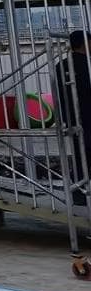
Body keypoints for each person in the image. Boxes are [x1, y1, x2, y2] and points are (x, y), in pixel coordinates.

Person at [55, 30, 91, 203]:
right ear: (85, 43)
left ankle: (78, 191)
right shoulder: (88, 64)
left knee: (79, 153)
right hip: (88, 116)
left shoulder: (60, 66)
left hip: (71, 118)